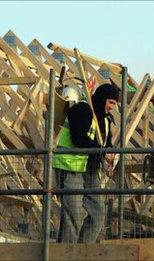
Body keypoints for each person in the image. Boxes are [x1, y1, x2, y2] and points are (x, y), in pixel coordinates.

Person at [53, 83, 119, 243]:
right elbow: (78, 138)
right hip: (70, 167)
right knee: (73, 214)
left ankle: (83, 251)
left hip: (91, 169)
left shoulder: (105, 120)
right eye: (110, 102)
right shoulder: (82, 110)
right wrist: (101, 151)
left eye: (114, 104)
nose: (112, 107)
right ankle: (65, 254)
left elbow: (106, 143)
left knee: (98, 214)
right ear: (102, 99)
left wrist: (110, 153)